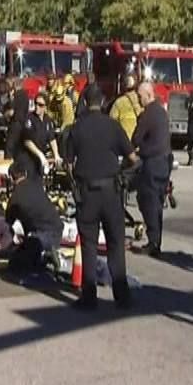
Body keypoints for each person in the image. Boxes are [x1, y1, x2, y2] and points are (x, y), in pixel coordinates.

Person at [65, 87, 140, 309]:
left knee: (88, 245)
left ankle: (89, 298)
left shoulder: (77, 128)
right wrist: (122, 175)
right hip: (111, 193)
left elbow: (68, 164)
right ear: (104, 100)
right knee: (115, 242)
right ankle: (122, 296)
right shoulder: (113, 126)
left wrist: (75, 183)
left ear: (85, 103)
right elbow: (133, 158)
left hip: (87, 193)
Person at [132, 82, 171, 257]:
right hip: (165, 162)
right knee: (157, 203)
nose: (139, 100)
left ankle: (153, 242)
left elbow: (136, 139)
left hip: (152, 163)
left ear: (148, 95)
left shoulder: (147, 114)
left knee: (148, 201)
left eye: (140, 96)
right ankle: (156, 240)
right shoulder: (161, 112)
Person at [5, 160, 63, 272]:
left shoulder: (15, 198)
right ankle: (45, 253)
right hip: (57, 229)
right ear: (25, 173)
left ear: (11, 178)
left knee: (15, 262)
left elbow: (8, 224)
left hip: (41, 236)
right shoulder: (36, 185)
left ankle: (45, 256)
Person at [23, 92, 63, 179]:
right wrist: (40, 155)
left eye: (40, 105)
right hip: (30, 157)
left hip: (42, 158)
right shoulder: (29, 119)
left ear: (45, 107)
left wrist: (56, 154)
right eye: (36, 103)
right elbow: (27, 141)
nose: (37, 106)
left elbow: (52, 139)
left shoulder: (48, 120)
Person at [109, 74, 142, 140]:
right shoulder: (141, 102)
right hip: (138, 143)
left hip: (123, 143)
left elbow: (111, 123)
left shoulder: (119, 102)